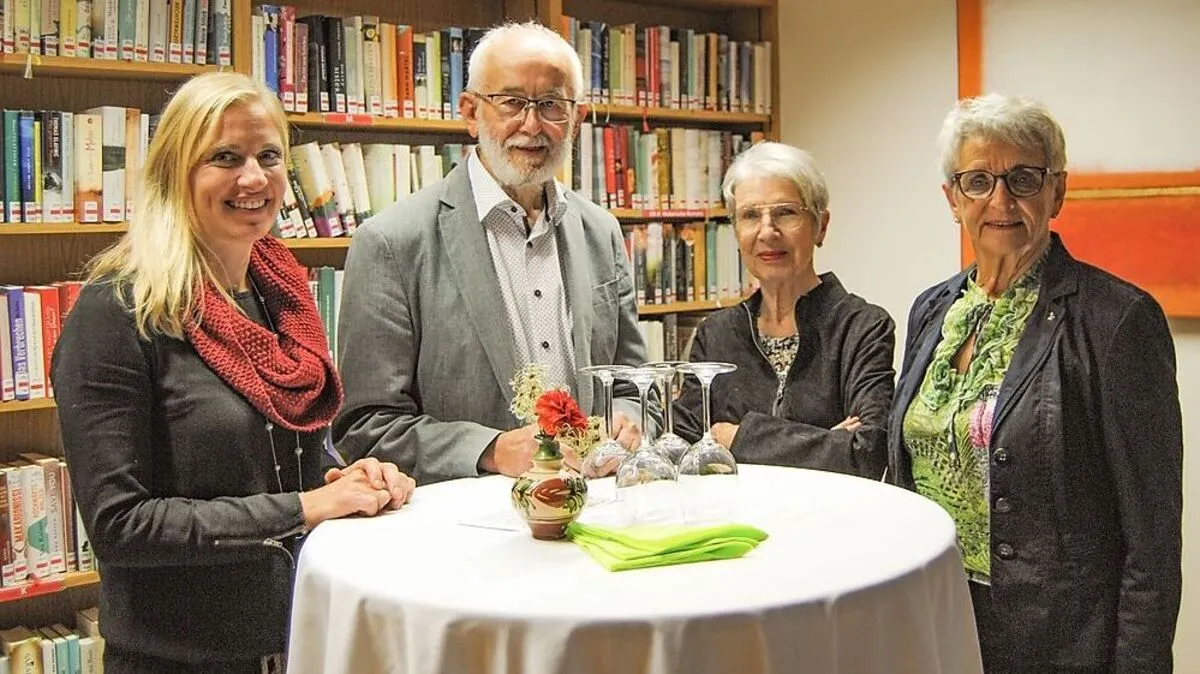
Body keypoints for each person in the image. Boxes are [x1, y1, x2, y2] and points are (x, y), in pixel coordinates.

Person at [51, 72, 416, 674]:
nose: (255, 178)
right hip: (180, 660)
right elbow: (121, 526)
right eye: (225, 157)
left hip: (305, 638)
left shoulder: (282, 295)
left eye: (269, 156)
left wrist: (347, 478)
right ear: (176, 171)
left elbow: (274, 461)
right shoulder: (117, 311)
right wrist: (306, 506)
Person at [888, 93, 1182, 672]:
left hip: (1057, 643)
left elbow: (1151, 540)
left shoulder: (1117, 320)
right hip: (934, 616)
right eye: (978, 181)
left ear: (1057, 192)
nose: (1000, 200)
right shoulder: (931, 310)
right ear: (952, 199)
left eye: (1023, 179)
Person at [334, 21, 651, 484]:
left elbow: (634, 385)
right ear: (470, 112)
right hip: (467, 516)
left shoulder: (600, 232)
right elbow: (365, 427)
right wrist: (492, 450)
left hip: (595, 502)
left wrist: (628, 418)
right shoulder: (391, 242)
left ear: (577, 119)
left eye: (551, 105)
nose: (532, 125)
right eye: (512, 102)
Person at [672, 142, 895, 478]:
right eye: (750, 216)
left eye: (785, 213)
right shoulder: (715, 334)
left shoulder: (862, 328)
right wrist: (823, 441)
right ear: (736, 231)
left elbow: (867, 453)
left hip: (831, 510)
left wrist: (738, 437)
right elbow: (685, 447)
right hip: (733, 511)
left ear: (821, 226)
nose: (767, 231)